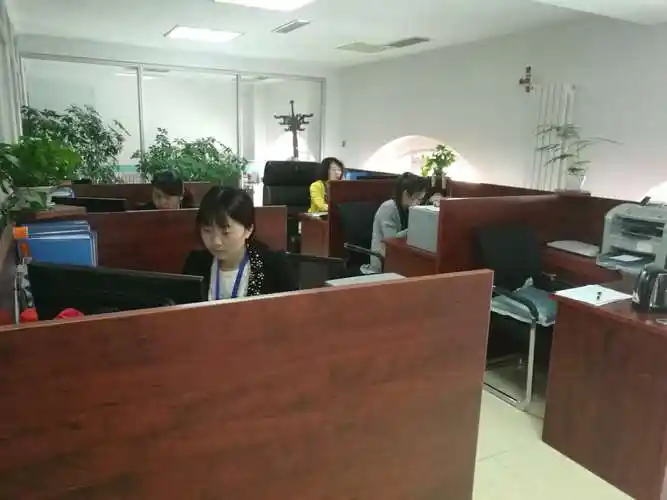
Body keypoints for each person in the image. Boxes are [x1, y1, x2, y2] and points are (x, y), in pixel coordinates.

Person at [183, 186, 297, 300]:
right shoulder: (195, 264)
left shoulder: (274, 266)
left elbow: (294, 307)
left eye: (226, 233)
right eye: (207, 230)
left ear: (249, 230)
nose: (216, 242)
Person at [362, 172, 427, 274]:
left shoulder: (408, 209)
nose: (419, 203)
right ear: (406, 194)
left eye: (421, 199)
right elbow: (391, 241)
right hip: (382, 261)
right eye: (418, 198)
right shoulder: (389, 208)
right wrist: (414, 229)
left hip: (400, 257)